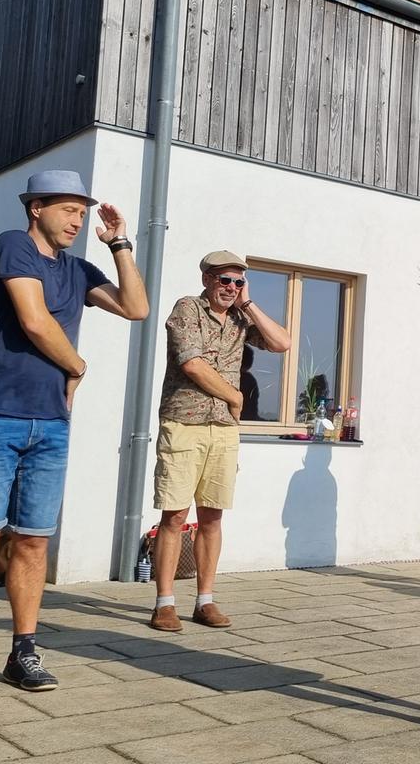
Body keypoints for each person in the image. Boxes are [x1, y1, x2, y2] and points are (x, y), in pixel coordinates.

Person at [0, 171, 149, 703]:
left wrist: (120, 242)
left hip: (50, 424)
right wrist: (77, 364)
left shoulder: (78, 269)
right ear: (36, 209)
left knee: (33, 541)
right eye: (68, 210)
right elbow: (32, 319)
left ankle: (22, 651)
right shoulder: (12, 247)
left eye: (83, 212)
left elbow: (135, 307)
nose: (77, 220)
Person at [147, 252, 290, 632]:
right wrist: (235, 396)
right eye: (225, 280)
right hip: (185, 422)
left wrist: (250, 304)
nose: (231, 288)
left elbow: (282, 343)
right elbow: (191, 363)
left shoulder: (242, 316)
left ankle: (205, 600)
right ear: (208, 278)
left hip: (223, 429)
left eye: (239, 282)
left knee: (212, 515)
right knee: (175, 516)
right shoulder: (187, 309)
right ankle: (164, 603)